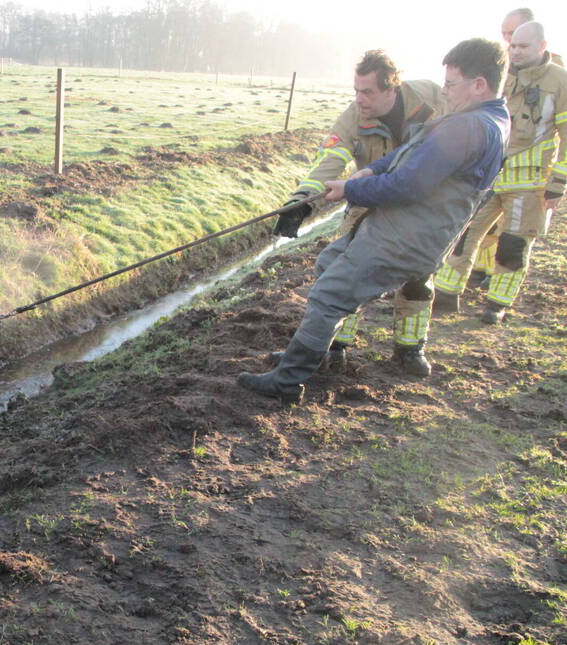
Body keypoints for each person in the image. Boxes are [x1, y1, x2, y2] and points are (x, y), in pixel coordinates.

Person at [238, 38, 510, 405]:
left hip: (406, 235)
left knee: (330, 294)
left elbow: (409, 182)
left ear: (479, 84)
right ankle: (314, 352)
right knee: (329, 262)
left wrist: (351, 189)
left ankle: (288, 380)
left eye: (451, 83)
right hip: (397, 223)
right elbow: (408, 153)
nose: (445, 90)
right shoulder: (481, 119)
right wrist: (362, 174)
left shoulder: (467, 126)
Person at [273, 50, 445, 376]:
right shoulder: (354, 116)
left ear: (392, 88)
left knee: (418, 279)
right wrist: (301, 202)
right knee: (340, 272)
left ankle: (410, 349)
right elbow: (330, 159)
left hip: (420, 205)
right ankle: (333, 346)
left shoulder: (431, 98)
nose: (359, 99)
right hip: (367, 201)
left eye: (367, 92)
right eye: (356, 90)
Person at [433, 22, 567, 322]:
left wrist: (559, 182)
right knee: (463, 232)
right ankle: (446, 293)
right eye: (513, 45)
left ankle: (497, 304)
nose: (515, 51)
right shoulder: (500, 73)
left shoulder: (560, 81)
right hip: (489, 174)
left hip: (530, 182)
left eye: (523, 46)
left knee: (514, 245)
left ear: (542, 46)